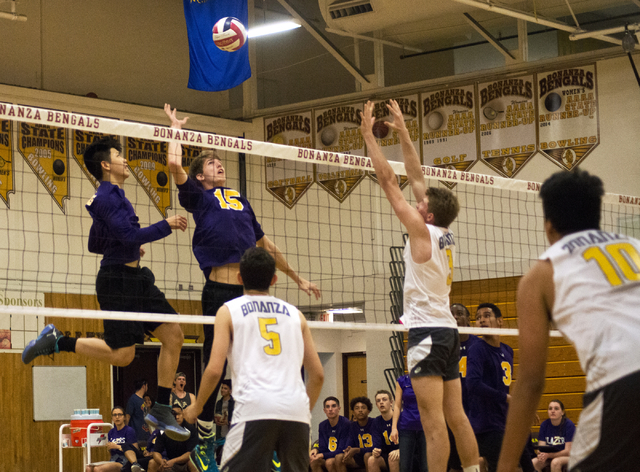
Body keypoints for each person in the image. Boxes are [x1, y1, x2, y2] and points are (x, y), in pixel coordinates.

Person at [164, 105, 321, 469]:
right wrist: (175, 130)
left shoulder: (240, 200)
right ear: (200, 175)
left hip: (250, 291)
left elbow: (267, 245)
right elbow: (174, 168)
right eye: (211, 163)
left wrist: (298, 278)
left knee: (255, 363)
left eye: (221, 162)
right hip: (220, 290)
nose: (219, 165)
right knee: (213, 361)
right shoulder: (200, 198)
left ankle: (265, 436)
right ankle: (204, 436)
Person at [23, 137, 190, 442]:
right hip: (116, 282)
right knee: (123, 356)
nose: (125, 160)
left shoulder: (114, 196)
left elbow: (95, 243)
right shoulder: (106, 198)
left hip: (136, 279)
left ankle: (161, 408)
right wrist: (164, 225)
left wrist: (128, 247)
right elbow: (127, 235)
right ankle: (59, 341)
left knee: (174, 334)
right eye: (118, 155)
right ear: (105, 165)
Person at [361, 99, 480, 472]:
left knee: (433, 424)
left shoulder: (419, 230)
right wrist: (405, 132)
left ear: (425, 213)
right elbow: (415, 177)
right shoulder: (443, 232)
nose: (417, 200)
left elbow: (389, 181)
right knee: (456, 416)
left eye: (421, 202)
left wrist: (369, 137)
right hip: (447, 330)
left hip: (427, 333)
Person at [497, 169, 640, 472]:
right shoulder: (634, 246)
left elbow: (531, 381)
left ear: (548, 226)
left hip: (624, 383)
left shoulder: (541, 273)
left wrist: (506, 465)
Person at [183, 246, 324, 472]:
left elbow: (214, 370)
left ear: (239, 277)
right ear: (274, 279)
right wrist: (300, 413)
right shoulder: (295, 314)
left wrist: (196, 408)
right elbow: (317, 375)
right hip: (296, 411)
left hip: (254, 409)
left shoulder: (228, 310)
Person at [448, 303, 480, 472]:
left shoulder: (478, 346)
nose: (455, 317)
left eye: (459, 314)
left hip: (475, 410)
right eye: (451, 314)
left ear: (468, 320)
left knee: (477, 459)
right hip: (453, 408)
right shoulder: (444, 346)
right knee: (454, 463)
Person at [86, 406, 145, 472]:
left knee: (98, 469)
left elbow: (135, 450)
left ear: (124, 417)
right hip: (113, 459)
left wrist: (117, 446)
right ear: (112, 418)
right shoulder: (111, 432)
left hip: (124, 461)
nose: (117, 417)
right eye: (115, 415)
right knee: (88, 468)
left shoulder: (129, 430)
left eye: (120, 414)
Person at [390, 374, 427, 472]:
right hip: (406, 426)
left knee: (426, 467)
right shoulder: (402, 381)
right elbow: (397, 406)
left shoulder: (429, 378)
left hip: (425, 427)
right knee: (405, 466)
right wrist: (394, 428)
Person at [148, 406, 198, 472]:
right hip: (169, 462)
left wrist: (173, 461)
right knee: (152, 463)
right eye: (174, 415)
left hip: (185, 463)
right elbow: (156, 452)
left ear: (183, 414)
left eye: (179, 414)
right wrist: (161, 462)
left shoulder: (191, 429)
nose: (177, 417)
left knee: (194, 463)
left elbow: (190, 454)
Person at [310, 397, 352, 472]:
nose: (330, 409)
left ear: (339, 408)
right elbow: (323, 448)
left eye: (333, 406)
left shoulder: (346, 423)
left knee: (330, 462)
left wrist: (322, 455)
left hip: (343, 456)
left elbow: (342, 450)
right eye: (327, 407)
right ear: (324, 410)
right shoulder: (322, 425)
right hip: (328, 456)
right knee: (313, 461)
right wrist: (316, 450)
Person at [533, 400, 575, 472]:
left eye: (556, 408)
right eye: (550, 408)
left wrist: (548, 455)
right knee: (534, 462)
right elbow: (541, 448)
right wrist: (541, 455)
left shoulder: (569, 425)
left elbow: (568, 451)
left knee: (555, 462)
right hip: (550, 456)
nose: (552, 411)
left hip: (569, 456)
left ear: (562, 412)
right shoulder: (544, 425)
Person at [336, 396, 374, 471]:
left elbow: (377, 446)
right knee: (339, 457)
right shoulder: (352, 426)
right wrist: (348, 450)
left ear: (368, 411)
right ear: (353, 412)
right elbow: (349, 442)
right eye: (357, 408)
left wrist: (357, 450)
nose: (360, 410)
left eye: (363, 408)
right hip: (358, 457)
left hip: (372, 454)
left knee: (367, 455)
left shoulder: (375, 423)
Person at [368, 390, 399, 472]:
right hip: (387, 454)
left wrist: (400, 450)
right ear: (376, 405)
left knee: (393, 458)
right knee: (371, 460)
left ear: (391, 402)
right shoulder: (376, 421)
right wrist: (376, 451)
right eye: (378, 401)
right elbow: (377, 444)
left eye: (384, 399)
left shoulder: (401, 418)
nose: (381, 402)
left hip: (404, 453)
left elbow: (412, 441)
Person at [214, 379, 234, 463]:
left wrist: (228, 421)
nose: (222, 390)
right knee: (219, 458)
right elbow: (215, 417)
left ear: (230, 391)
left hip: (230, 434)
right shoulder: (218, 403)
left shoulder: (234, 402)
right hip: (220, 434)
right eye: (222, 388)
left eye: (225, 388)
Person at [127, 379, 151, 445]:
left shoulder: (143, 400)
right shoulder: (133, 399)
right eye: (147, 385)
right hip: (136, 435)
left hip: (145, 434)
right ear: (144, 386)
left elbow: (146, 415)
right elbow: (128, 416)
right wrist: (125, 431)